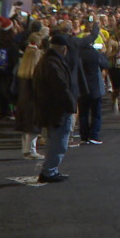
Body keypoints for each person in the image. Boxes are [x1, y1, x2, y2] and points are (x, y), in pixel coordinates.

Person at [33, 35, 77, 183]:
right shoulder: (53, 64)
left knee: (54, 140)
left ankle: (51, 170)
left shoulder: (46, 61)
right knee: (59, 141)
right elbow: (61, 88)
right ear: (63, 48)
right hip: (57, 109)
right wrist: (71, 105)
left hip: (49, 108)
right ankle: (49, 171)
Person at [14, 33, 44, 160]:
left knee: (26, 127)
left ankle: (25, 150)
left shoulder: (20, 70)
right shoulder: (35, 74)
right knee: (33, 127)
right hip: (33, 102)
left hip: (22, 100)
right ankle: (31, 150)